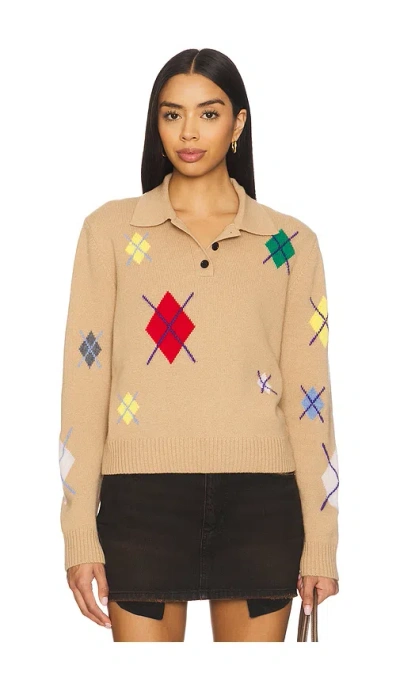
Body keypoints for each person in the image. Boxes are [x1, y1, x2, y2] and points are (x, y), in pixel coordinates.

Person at [58, 47, 339, 642]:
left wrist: (322, 540)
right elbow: (84, 389)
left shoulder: (289, 244)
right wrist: (79, 532)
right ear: (156, 123)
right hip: (141, 503)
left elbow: (311, 398)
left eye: (209, 114)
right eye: (172, 114)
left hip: (262, 505)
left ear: (238, 123)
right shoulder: (110, 233)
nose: (188, 132)